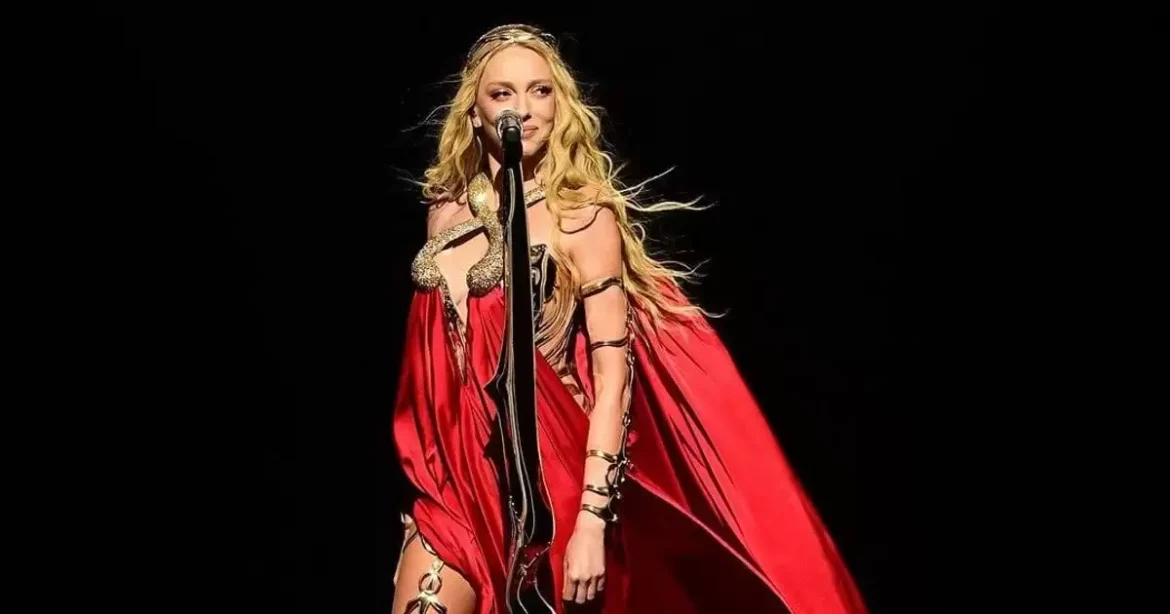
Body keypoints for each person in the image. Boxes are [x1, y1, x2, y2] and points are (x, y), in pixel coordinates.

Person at [391, 23, 868, 614]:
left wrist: (592, 518)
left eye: (540, 91)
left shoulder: (582, 218)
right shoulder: (444, 214)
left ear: (560, 106)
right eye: (503, 93)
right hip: (455, 483)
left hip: (552, 477)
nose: (523, 109)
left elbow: (613, 375)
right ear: (475, 112)